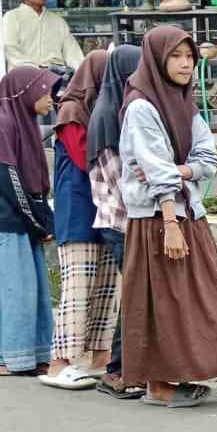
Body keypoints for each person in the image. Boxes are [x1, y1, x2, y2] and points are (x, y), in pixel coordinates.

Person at [118, 25, 217, 408]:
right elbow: (153, 172)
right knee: (163, 303)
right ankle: (160, 385)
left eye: (189, 57)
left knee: (213, 296)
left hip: (189, 213)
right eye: (176, 57)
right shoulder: (141, 108)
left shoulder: (186, 105)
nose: (185, 64)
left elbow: (208, 160)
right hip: (157, 220)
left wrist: (180, 170)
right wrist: (170, 224)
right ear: (157, 60)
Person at [0, 67, 58, 376]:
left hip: (22, 221)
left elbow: (32, 180)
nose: (51, 99)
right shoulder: (4, 123)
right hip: (4, 224)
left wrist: (41, 217)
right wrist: (36, 218)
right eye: (45, 92)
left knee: (29, 291)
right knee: (7, 292)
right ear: (26, 91)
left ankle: (30, 355)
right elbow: (4, 177)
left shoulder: (25, 123)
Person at [41, 49, 117, 389]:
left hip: (104, 208)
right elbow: (85, 157)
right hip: (78, 209)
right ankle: (60, 363)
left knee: (106, 285)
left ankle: (99, 357)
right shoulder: (73, 111)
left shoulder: (104, 109)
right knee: (77, 288)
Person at [87, 44, 143, 399]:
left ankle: (128, 367)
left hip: (125, 221)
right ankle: (117, 370)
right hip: (120, 222)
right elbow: (120, 181)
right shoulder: (107, 115)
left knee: (138, 297)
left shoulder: (119, 110)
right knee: (135, 297)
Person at [1, 0, 83, 73]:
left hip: (55, 77)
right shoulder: (12, 17)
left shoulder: (58, 21)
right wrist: (33, 69)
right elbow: (10, 48)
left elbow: (73, 53)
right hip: (23, 76)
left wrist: (82, 72)